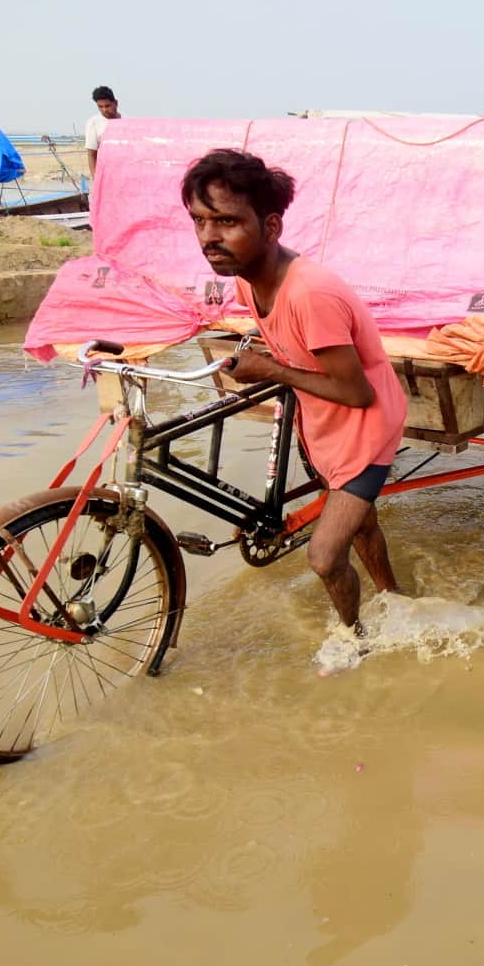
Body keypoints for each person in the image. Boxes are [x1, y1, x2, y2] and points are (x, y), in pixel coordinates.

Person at [182, 149, 409, 636]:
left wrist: (271, 370)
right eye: (199, 221)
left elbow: (357, 394)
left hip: (365, 425)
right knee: (361, 523)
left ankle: (354, 639)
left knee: (326, 557)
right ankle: (394, 598)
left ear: (271, 226)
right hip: (325, 420)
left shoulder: (310, 293)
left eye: (226, 221)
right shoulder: (249, 279)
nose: (209, 238)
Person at [85, 86, 121, 180]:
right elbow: (91, 154)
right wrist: (96, 180)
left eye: (107, 106)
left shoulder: (126, 120)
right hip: (105, 176)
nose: (104, 110)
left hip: (124, 175)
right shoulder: (94, 123)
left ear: (116, 103)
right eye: (100, 107)